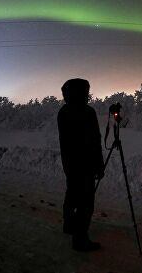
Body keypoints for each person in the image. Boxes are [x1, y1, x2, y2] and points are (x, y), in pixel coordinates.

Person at [57, 78, 105, 252]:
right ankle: (80, 239)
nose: (88, 94)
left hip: (69, 164)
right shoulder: (87, 112)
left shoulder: (63, 112)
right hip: (85, 165)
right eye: (86, 91)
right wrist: (99, 165)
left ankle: (69, 225)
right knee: (86, 203)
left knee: (71, 194)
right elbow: (94, 141)